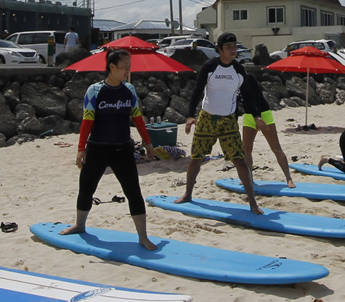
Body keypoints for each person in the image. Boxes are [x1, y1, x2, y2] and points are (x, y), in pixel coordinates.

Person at [60, 49, 157, 250]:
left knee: (133, 192)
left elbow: (138, 118)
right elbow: (87, 120)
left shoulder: (129, 90)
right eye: (125, 67)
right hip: (97, 148)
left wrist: (147, 143)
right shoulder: (94, 91)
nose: (128, 70)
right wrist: (80, 148)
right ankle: (79, 224)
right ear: (112, 67)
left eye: (130, 66)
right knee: (86, 188)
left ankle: (143, 237)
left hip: (122, 148)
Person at [178, 33, 263, 213]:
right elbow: (198, 90)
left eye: (234, 46)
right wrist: (190, 115)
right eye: (228, 47)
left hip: (228, 120)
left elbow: (247, 95)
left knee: (239, 160)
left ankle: (253, 203)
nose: (233, 50)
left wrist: (255, 116)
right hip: (207, 117)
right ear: (219, 50)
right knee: (196, 158)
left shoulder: (239, 69)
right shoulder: (210, 66)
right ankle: (187, 194)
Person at [239, 70, 294, 187]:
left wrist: (258, 118)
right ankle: (248, 177)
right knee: (246, 150)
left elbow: (256, 97)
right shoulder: (232, 82)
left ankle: (289, 178)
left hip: (263, 113)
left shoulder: (248, 77)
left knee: (275, 148)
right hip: (249, 116)